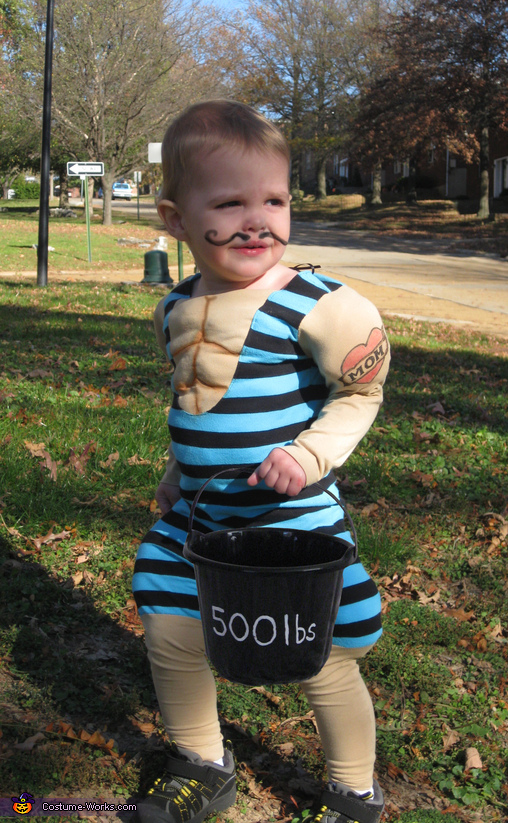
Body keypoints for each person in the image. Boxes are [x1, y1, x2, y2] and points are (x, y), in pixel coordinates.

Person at [132, 99, 390, 823]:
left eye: (274, 199)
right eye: (230, 202)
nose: (258, 219)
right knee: (169, 617)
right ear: (176, 220)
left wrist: (310, 454)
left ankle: (353, 789)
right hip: (202, 516)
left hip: (292, 515)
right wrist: (181, 471)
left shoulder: (316, 303)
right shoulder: (175, 307)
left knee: (325, 652)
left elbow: (362, 390)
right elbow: (197, 399)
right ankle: (202, 761)